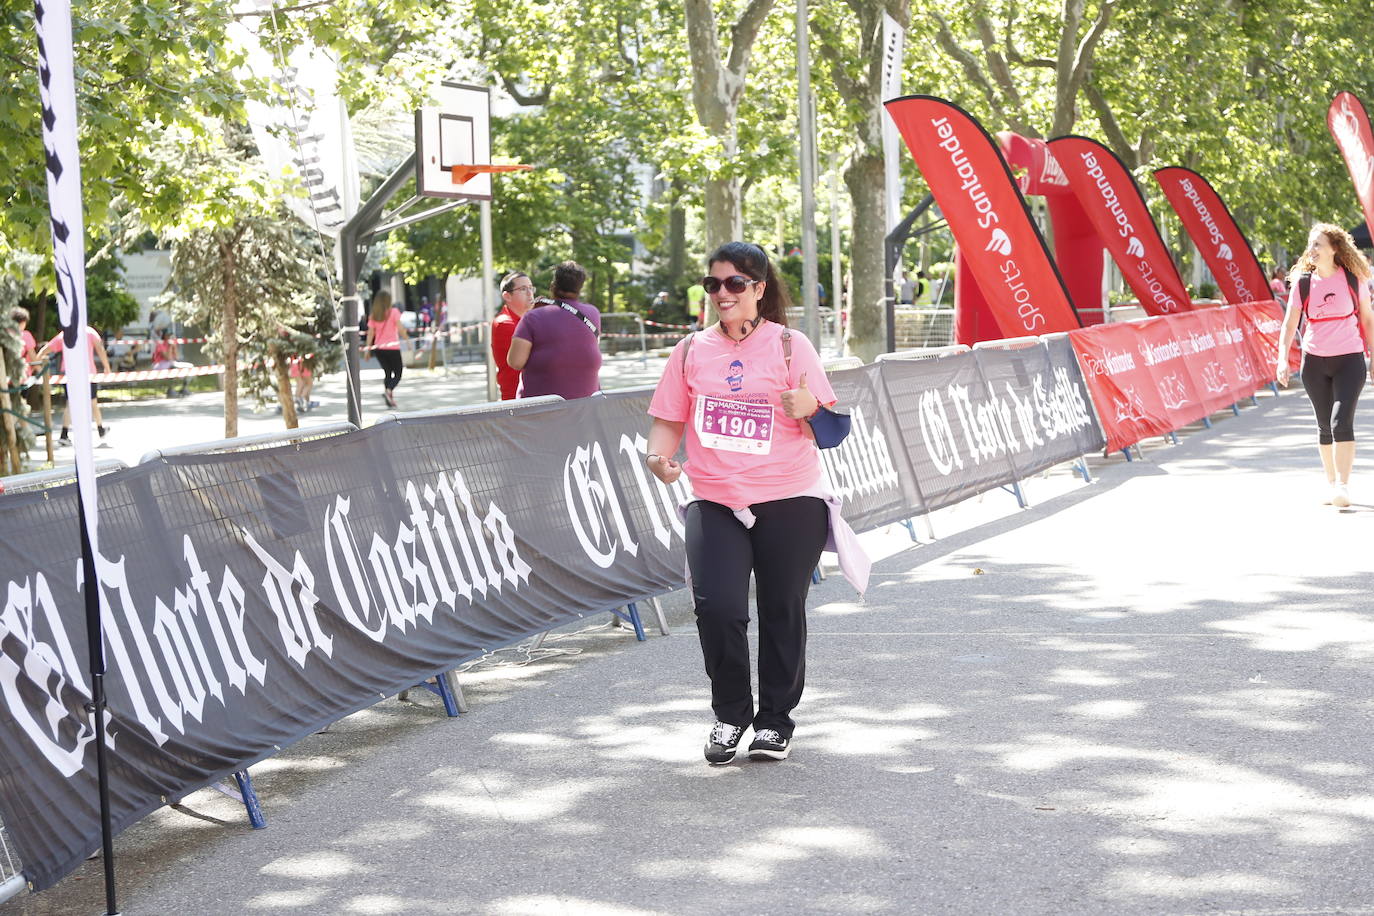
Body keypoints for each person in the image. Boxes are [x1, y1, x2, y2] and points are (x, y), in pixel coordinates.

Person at [645, 241, 867, 765]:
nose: (722, 294)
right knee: (717, 607)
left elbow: (833, 433)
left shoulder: (791, 346)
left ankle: (774, 722)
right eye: (713, 284)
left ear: (758, 290)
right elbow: (668, 421)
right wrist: (659, 458)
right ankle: (730, 715)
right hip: (716, 498)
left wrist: (811, 407)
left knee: (780, 608)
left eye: (734, 284)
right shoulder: (690, 350)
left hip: (791, 497)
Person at [1275, 223, 1374, 507]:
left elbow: (1368, 320)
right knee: (1324, 426)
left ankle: (1343, 484)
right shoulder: (1303, 284)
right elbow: (1290, 324)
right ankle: (1332, 485)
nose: (1312, 249)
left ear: (1334, 249)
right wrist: (1282, 358)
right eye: (1311, 244)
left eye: (1318, 244)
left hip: (1350, 359)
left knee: (1341, 421)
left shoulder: (1354, 280)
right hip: (1314, 362)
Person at [506, 261, 601, 399]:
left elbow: (515, 362)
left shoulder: (533, 317)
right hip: (584, 408)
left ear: (553, 285)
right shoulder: (593, 314)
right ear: (580, 288)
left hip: (539, 411)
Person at [37, 324, 111, 445]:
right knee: (92, 401)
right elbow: (100, 348)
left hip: (69, 372)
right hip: (87, 372)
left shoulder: (65, 334)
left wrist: (37, 362)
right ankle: (100, 429)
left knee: (70, 403)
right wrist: (107, 367)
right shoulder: (89, 332)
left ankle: (64, 434)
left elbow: (46, 349)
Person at [491, 272, 536, 400]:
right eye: (523, 289)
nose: (529, 293)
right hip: (517, 401)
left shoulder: (527, 320)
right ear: (507, 296)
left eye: (531, 288)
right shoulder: (504, 323)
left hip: (530, 397)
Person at [365, 289, 409, 409]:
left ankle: (389, 398)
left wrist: (368, 350)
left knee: (388, 373)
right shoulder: (394, 312)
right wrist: (407, 340)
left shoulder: (374, 315)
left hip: (379, 349)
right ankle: (389, 391)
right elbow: (400, 329)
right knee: (398, 373)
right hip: (393, 348)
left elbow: (370, 334)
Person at [152, 328, 192, 397]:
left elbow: (176, 357)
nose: (171, 337)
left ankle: (184, 388)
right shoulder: (160, 344)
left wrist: (174, 346)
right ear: (164, 336)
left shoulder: (172, 344)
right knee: (173, 368)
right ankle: (170, 390)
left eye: (171, 335)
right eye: (169, 335)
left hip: (171, 363)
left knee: (189, 366)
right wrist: (170, 346)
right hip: (160, 365)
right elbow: (168, 358)